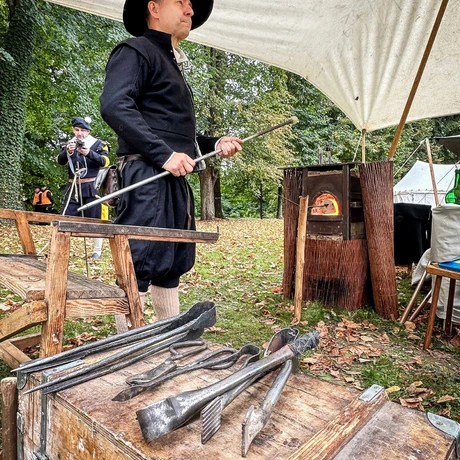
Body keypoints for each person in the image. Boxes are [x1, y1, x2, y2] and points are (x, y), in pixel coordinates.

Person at [100, 0, 242, 319]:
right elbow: (114, 105)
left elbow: (178, 136)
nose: (189, 11)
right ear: (153, 7)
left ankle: (167, 342)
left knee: (170, 265)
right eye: (181, 2)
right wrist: (164, 155)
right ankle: (125, 352)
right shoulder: (136, 50)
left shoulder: (173, 63)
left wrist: (215, 143)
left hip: (172, 181)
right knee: (137, 266)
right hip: (145, 179)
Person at [57, 116, 110, 259]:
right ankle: (59, 250)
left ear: (88, 131)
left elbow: (105, 161)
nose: (80, 133)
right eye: (77, 130)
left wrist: (89, 153)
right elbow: (59, 161)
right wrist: (68, 151)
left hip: (91, 186)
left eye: (83, 130)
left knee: (96, 220)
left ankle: (97, 252)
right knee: (64, 219)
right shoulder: (70, 143)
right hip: (72, 187)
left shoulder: (99, 144)